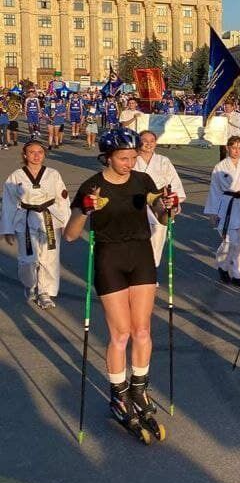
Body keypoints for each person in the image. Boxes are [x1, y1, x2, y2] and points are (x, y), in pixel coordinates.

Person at [63, 128, 179, 439]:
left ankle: (139, 389)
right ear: (108, 157)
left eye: (133, 157)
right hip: (109, 259)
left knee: (143, 330)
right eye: (123, 158)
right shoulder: (92, 186)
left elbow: (162, 217)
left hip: (141, 255)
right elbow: (70, 235)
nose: (130, 162)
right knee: (121, 333)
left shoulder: (142, 182)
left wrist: (169, 208)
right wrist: (85, 210)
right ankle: (118, 394)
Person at [0, 140, 71, 309]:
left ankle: (45, 292)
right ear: (25, 155)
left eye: (40, 152)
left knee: (50, 257)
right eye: (32, 152)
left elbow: (62, 199)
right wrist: (7, 229)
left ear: (44, 154)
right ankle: (30, 285)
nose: (36, 155)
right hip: (25, 218)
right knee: (28, 259)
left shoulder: (53, 174)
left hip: (49, 217)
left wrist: (66, 222)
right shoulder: (16, 176)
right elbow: (9, 204)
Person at [203, 135, 240, 285]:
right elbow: (214, 190)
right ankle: (223, 266)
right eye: (234, 148)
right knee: (228, 241)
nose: (237, 151)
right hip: (227, 206)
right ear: (227, 148)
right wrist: (213, 212)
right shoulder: (220, 167)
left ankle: (238, 274)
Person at [133, 130, 187, 268]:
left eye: (152, 141)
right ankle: (135, 272)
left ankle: (150, 272)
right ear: (138, 142)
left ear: (156, 143)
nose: (148, 144)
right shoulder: (132, 159)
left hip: (159, 203)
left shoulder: (163, 160)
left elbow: (173, 182)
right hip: (136, 204)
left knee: (157, 239)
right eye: (145, 141)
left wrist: (173, 200)